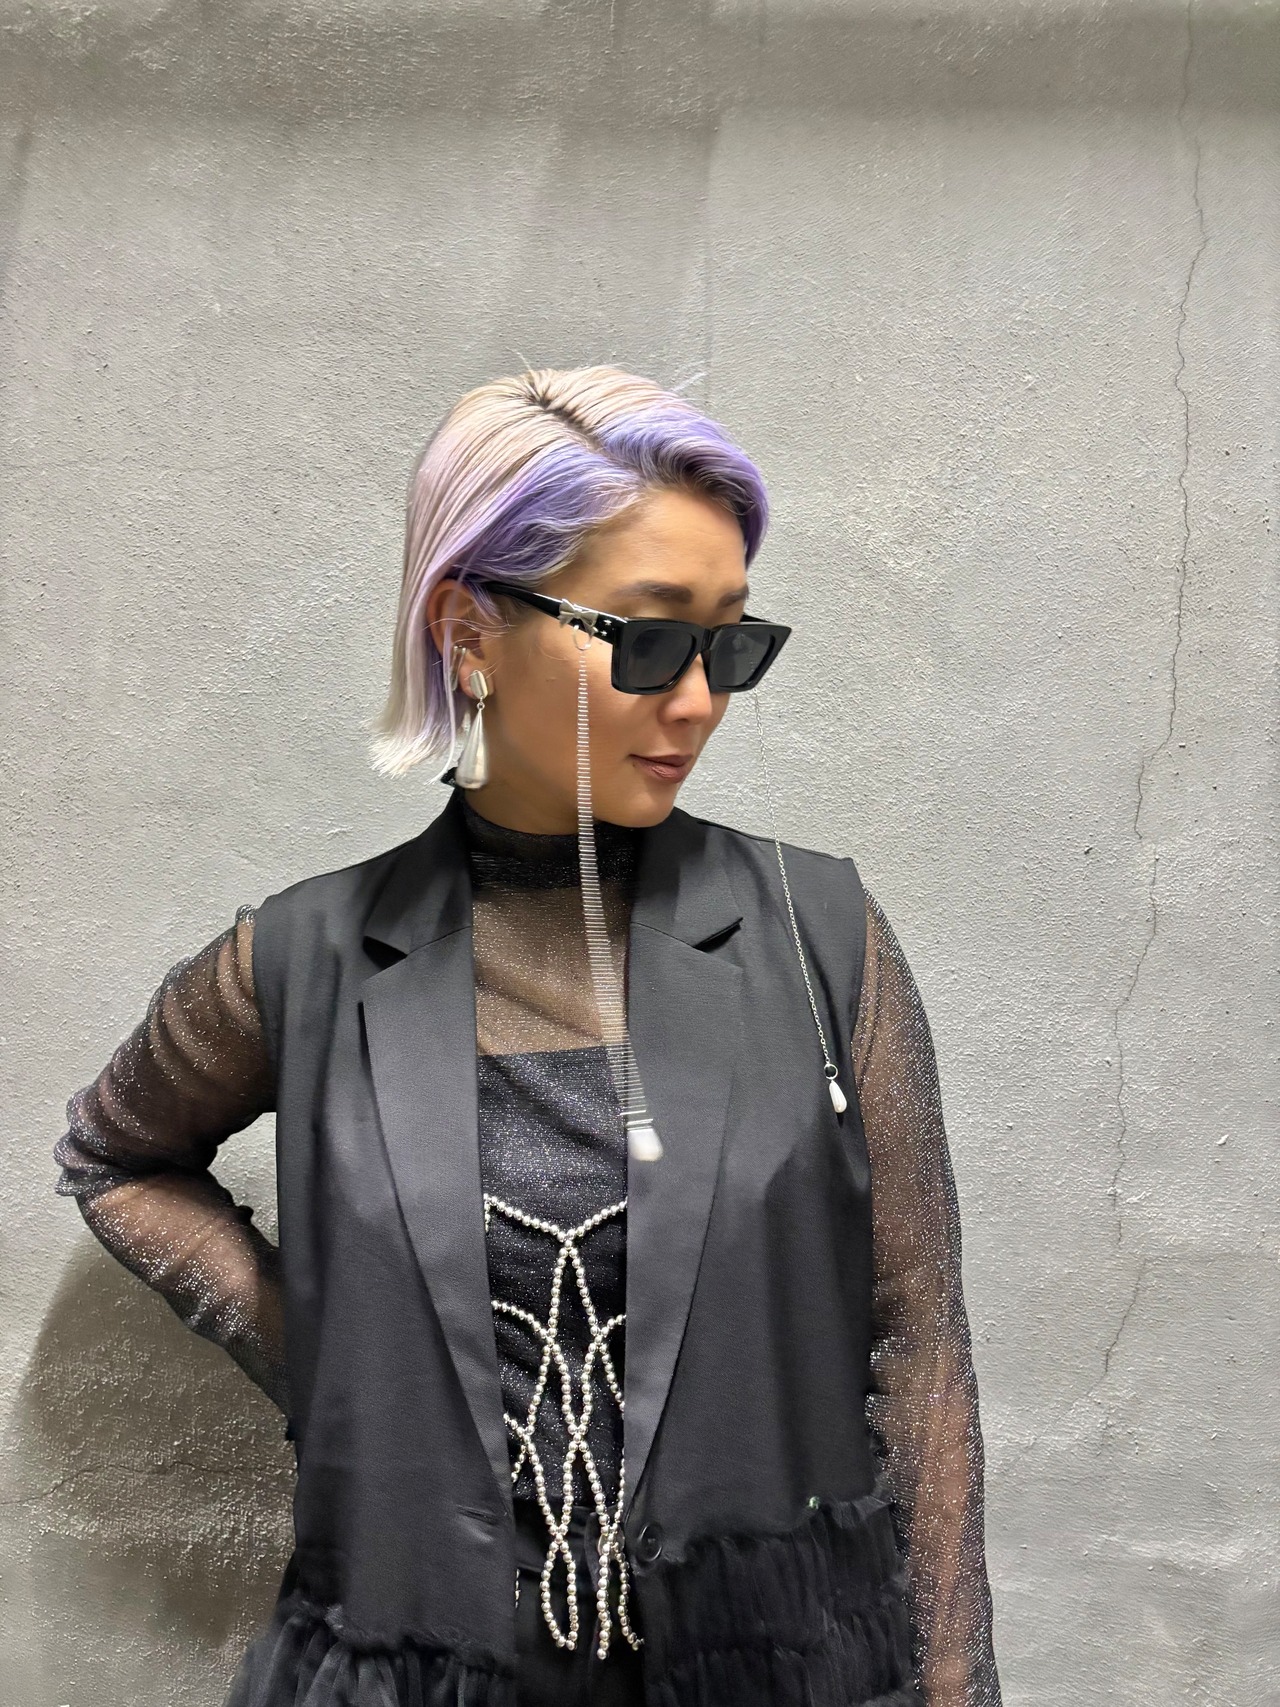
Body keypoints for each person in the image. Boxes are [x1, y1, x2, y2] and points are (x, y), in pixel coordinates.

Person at [53, 364, 1002, 1707]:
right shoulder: (306, 961)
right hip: (410, 1671)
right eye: (651, 640)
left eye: (731, 644)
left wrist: (956, 1690)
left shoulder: (818, 937)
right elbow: (114, 1158)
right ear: (469, 632)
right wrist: (328, 1354)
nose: (700, 701)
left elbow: (920, 1348)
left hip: (773, 1667)